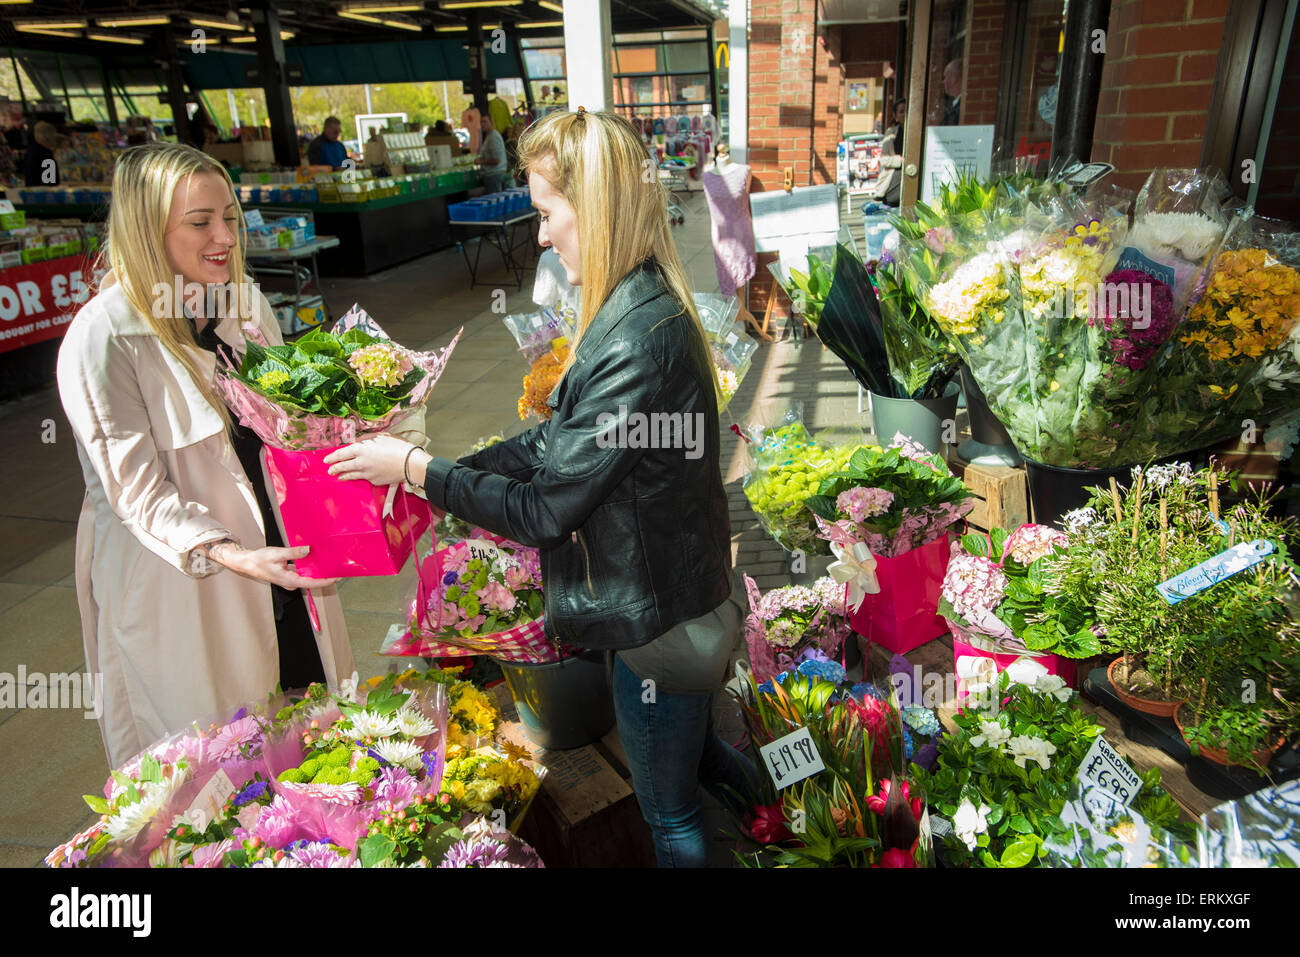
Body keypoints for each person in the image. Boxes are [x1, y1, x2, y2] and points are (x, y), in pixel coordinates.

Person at [323, 109, 762, 867]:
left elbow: (547, 509)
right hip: (675, 597)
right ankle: (786, 823)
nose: (543, 235)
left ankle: (779, 829)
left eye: (548, 213)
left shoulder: (633, 337)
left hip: (659, 627)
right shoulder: (636, 302)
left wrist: (416, 472)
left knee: (671, 816)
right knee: (700, 755)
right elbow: (557, 441)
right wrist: (464, 466)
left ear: (596, 208)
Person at [56, 143, 363, 768]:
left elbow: (280, 428)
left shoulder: (243, 303)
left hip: (277, 558)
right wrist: (232, 555)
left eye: (230, 216)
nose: (224, 236)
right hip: (185, 584)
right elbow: (136, 494)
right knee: (213, 768)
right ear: (147, 229)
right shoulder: (104, 337)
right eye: (200, 223)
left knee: (307, 719)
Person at [872, 98, 907, 207]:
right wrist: (900, 160)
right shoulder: (891, 133)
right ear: (896, 116)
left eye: (907, 110)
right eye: (901, 112)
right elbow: (884, 160)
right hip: (893, 182)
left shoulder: (919, 131)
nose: (905, 114)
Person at [474, 112, 508, 193]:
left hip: (494, 175)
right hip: (491, 175)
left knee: (495, 201)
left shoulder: (493, 137)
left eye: (485, 122)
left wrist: (480, 161)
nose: (482, 124)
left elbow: (496, 160)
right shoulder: (489, 136)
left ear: (491, 123)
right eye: (481, 122)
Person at [23, 120, 62, 186]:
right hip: (44, 193)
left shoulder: (31, 150)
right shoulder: (46, 155)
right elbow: (50, 182)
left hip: (32, 192)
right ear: (49, 137)